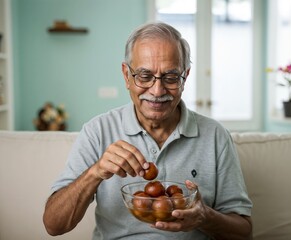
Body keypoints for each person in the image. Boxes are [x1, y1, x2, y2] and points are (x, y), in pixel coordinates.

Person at [43, 22, 253, 240]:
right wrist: (95, 172)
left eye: (171, 77)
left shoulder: (215, 136)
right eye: (144, 76)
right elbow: (53, 225)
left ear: (185, 77)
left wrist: (205, 217)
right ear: (126, 75)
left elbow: (244, 232)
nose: (157, 90)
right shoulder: (97, 131)